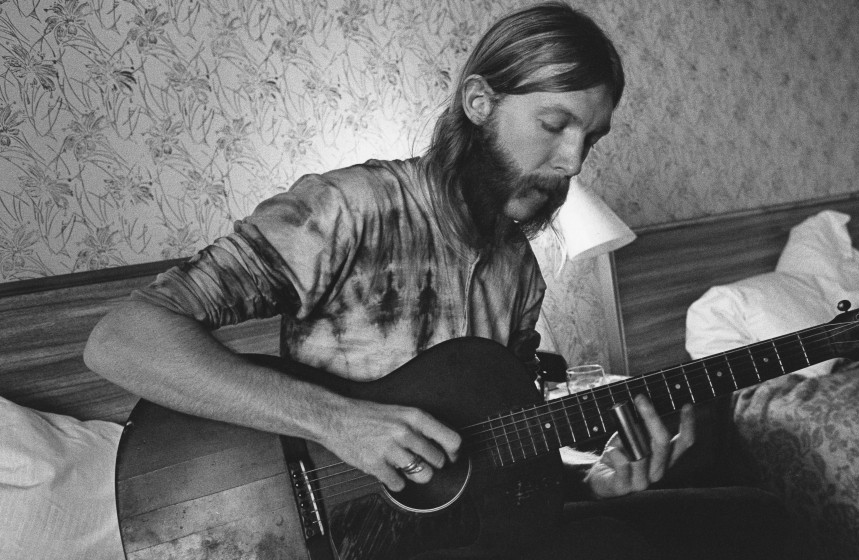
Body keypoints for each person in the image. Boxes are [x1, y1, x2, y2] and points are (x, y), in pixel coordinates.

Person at [85, 3, 802, 559]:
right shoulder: (349, 208)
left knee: (751, 514)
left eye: (593, 135)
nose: (575, 160)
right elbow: (120, 341)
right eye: (555, 124)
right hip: (328, 532)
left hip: (460, 536)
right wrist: (337, 421)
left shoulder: (520, 273)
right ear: (480, 102)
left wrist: (591, 481)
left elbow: (504, 457)